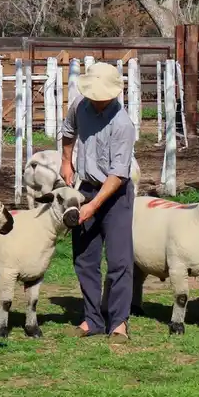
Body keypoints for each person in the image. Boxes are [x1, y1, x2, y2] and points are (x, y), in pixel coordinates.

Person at [60, 62, 137, 342]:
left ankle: (118, 322)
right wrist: (65, 162)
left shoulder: (123, 124)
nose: (95, 97)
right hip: (86, 188)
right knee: (84, 258)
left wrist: (93, 207)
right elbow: (68, 131)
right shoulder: (80, 105)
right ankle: (92, 319)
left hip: (115, 194)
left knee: (119, 259)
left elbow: (118, 175)